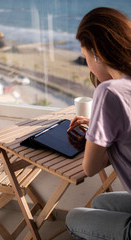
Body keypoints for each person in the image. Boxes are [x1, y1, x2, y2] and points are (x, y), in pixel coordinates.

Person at [66, 7, 131, 240]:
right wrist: (100, 123)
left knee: (73, 217)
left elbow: (90, 168)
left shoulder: (109, 91)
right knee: (101, 200)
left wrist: (95, 134)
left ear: (98, 53)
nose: (88, 66)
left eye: (86, 58)